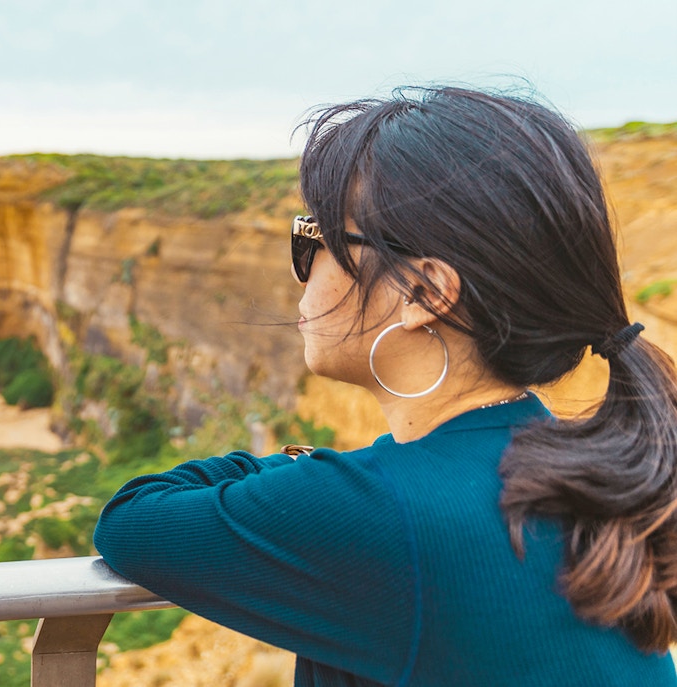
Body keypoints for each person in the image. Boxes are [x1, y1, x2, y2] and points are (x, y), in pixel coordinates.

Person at [93, 86, 677, 686]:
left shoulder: (387, 512)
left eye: (312, 239)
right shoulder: (583, 468)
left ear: (423, 293)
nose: (302, 269)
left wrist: (304, 471)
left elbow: (131, 523)